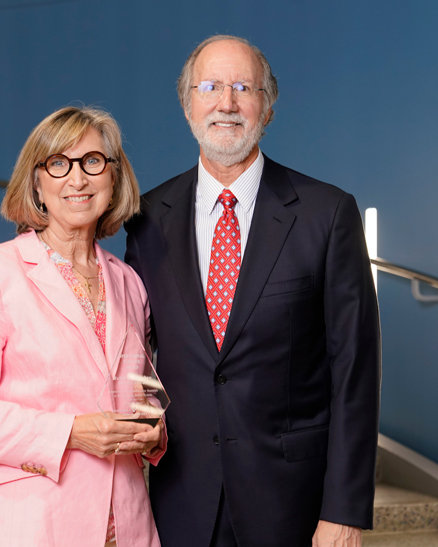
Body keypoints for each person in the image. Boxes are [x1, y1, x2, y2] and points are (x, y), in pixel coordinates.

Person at [125, 35, 380, 547]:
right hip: (182, 502)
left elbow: (355, 373)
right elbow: (136, 353)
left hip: (294, 507)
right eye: (210, 87)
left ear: (268, 108)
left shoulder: (327, 214)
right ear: (187, 105)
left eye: (244, 87)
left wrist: (344, 511)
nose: (226, 102)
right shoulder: (146, 219)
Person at [0, 106, 165, 547]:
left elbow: (140, 388)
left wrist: (154, 428)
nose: (78, 179)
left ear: (114, 177)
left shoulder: (129, 282)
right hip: (27, 526)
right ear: (36, 182)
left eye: (92, 161)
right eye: (58, 163)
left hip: (126, 525)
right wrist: (70, 432)